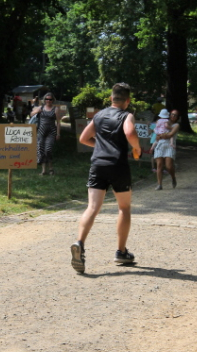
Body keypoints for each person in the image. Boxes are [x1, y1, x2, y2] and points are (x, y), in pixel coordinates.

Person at [71, 82, 142, 274]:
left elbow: (84, 138)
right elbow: (129, 132)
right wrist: (137, 148)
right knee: (124, 208)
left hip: (98, 165)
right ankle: (121, 251)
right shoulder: (126, 115)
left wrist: (102, 146)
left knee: (92, 207)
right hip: (118, 165)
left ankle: (80, 243)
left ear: (111, 98)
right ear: (127, 101)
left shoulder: (99, 115)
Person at [30, 92, 62, 175]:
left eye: (50, 99)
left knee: (48, 150)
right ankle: (43, 170)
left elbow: (58, 122)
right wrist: (37, 111)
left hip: (51, 132)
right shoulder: (40, 107)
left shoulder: (55, 109)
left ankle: (51, 168)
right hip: (41, 131)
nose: (48, 101)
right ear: (44, 100)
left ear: (53, 100)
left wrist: (58, 133)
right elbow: (31, 114)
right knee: (41, 150)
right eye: (47, 99)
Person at [153, 109, 180, 190]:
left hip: (169, 145)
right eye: (172, 114)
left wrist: (160, 136)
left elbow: (170, 134)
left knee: (169, 166)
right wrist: (159, 136)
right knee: (159, 165)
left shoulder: (176, 125)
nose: (173, 116)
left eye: (175, 115)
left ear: (177, 117)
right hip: (160, 145)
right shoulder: (163, 122)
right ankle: (159, 184)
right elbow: (157, 134)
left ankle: (173, 177)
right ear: (169, 114)